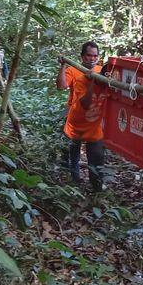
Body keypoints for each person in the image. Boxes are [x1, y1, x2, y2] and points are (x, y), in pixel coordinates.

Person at [56, 41, 107, 191]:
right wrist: (63, 66)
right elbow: (61, 86)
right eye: (88, 55)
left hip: (95, 121)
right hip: (75, 119)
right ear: (82, 56)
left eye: (95, 56)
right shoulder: (74, 70)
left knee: (96, 156)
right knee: (73, 157)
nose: (92, 59)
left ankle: (96, 188)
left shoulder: (101, 71)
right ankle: (74, 186)